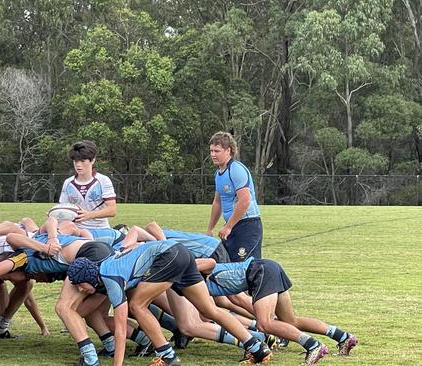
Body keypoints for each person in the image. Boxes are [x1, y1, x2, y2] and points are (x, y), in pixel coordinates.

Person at [65, 240, 273, 366]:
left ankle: (166, 355)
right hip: (179, 253)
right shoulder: (107, 269)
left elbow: (120, 330)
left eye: (80, 285)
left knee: (137, 306)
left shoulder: (110, 278)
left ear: (90, 277)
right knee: (210, 310)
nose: (80, 290)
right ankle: (256, 347)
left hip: (169, 256)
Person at [205, 257, 358, 365]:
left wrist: (263, 320)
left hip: (260, 272)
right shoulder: (202, 281)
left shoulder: (193, 278)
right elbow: (231, 301)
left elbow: (229, 303)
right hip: (268, 267)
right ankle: (343, 337)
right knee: (290, 321)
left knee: (265, 324)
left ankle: (314, 346)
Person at [205, 132, 262, 262]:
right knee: (228, 262)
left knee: (245, 267)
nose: (213, 154)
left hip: (247, 225)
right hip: (233, 225)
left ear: (228, 150)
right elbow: (217, 203)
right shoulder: (218, 174)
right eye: (211, 151)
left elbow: (245, 200)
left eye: (217, 151)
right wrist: (210, 229)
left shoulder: (236, 170)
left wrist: (228, 226)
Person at [59, 140, 116, 229]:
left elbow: (112, 210)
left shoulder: (103, 180)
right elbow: (63, 207)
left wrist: (90, 215)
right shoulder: (68, 183)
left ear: (93, 160)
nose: (78, 165)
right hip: (76, 230)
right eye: (75, 161)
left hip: (100, 229)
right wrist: (56, 213)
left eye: (82, 161)